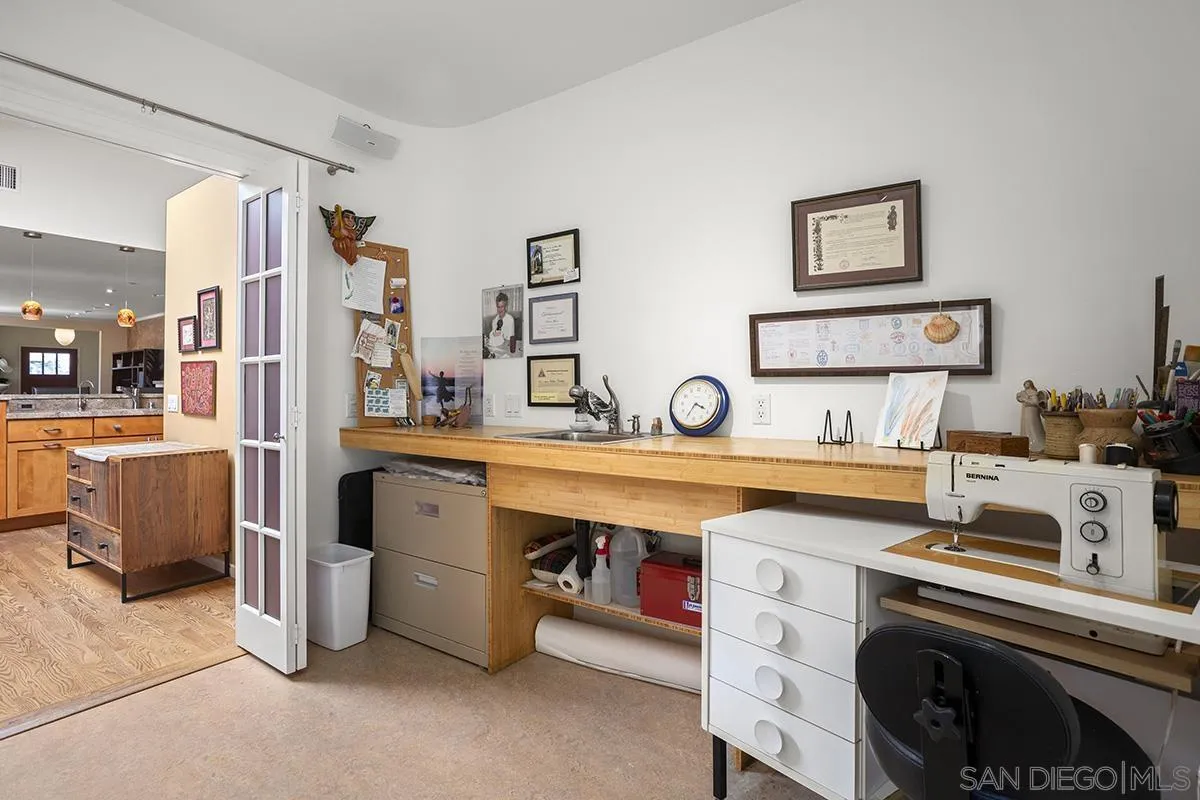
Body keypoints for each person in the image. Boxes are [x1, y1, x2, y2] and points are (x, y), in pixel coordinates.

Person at [486, 291, 516, 357]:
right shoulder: (494, 321)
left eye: (502, 306)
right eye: (498, 307)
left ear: (506, 306)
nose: (500, 309)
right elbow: (494, 337)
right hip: (496, 348)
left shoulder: (510, 320)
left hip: (506, 350)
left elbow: (510, 341)